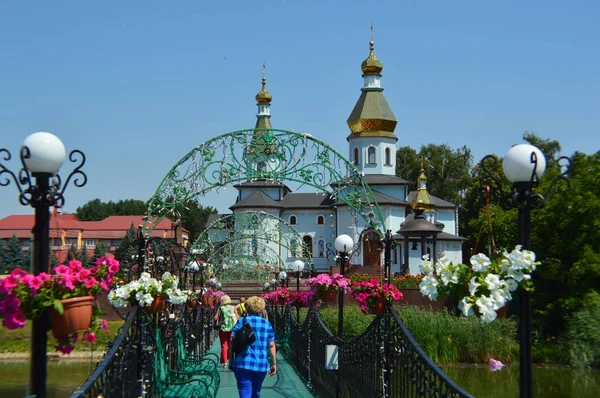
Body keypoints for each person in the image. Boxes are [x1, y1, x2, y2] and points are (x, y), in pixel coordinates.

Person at [229, 296, 276, 398]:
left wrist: (231, 360)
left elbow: (232, 339)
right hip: (261, 364)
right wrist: (273, 364)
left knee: (244, 391)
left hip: (242, 363)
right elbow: (271, 344)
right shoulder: (266, 324)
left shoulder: (242, 321)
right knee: (256, 391)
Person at [214, 295, 237, 367]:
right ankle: (231, 360)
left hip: (223, 328)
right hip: (232, 328)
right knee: (231, 345)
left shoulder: (221, 308)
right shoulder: (233, 308)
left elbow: (215, 317)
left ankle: (225, 362)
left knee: (224, 345)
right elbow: (237, 317)